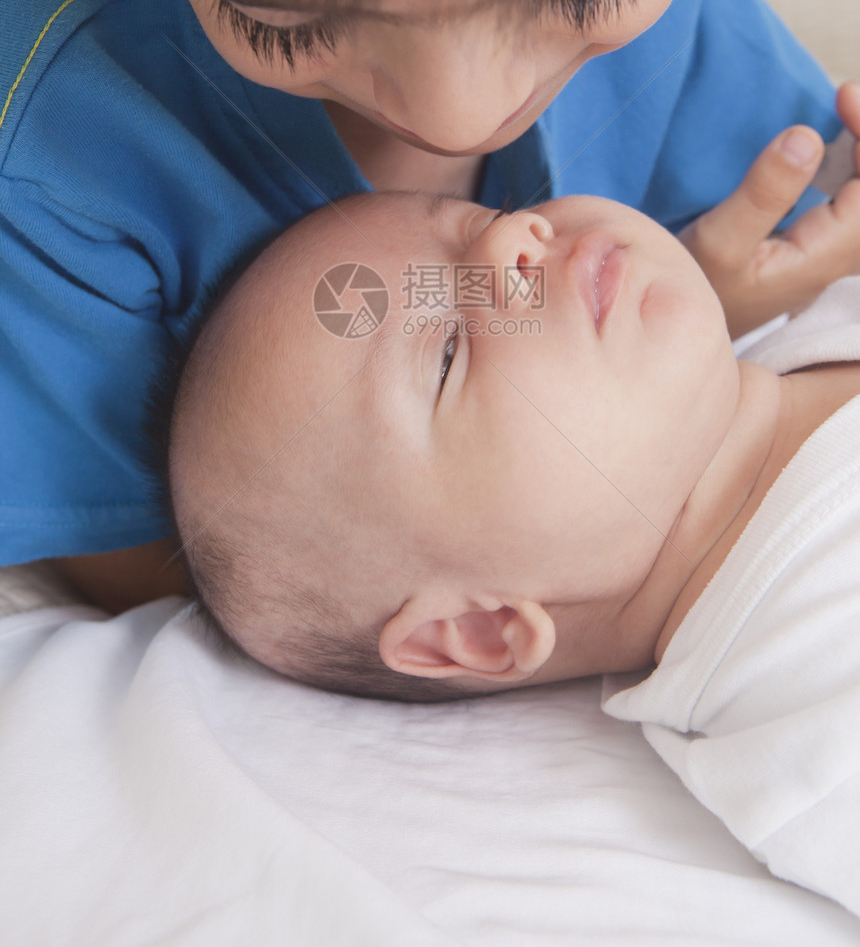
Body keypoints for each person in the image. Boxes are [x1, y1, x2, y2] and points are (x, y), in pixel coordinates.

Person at [0, 0, 854, 611]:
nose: (462, 118)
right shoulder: (42, 148)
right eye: (287, 22)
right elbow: (189, 596)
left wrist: (720, 302)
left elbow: (802, 233)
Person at [162, 134, 860, 917]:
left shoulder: (820, 313)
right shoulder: (806, 714)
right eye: (450, 351)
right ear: (484, 628)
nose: (512, 239)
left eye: (486, 216)